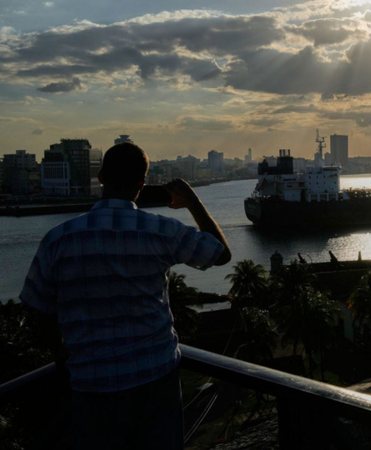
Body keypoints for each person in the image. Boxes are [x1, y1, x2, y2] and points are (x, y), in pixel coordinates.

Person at [19, 142, 231, 450]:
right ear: (142, 184)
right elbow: (220, 253)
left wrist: (62, 357)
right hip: (155, 377)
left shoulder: (58, 239)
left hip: (91, 383)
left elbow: (37, 309)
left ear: (101, 177)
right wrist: (193, 202)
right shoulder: (160, 230)